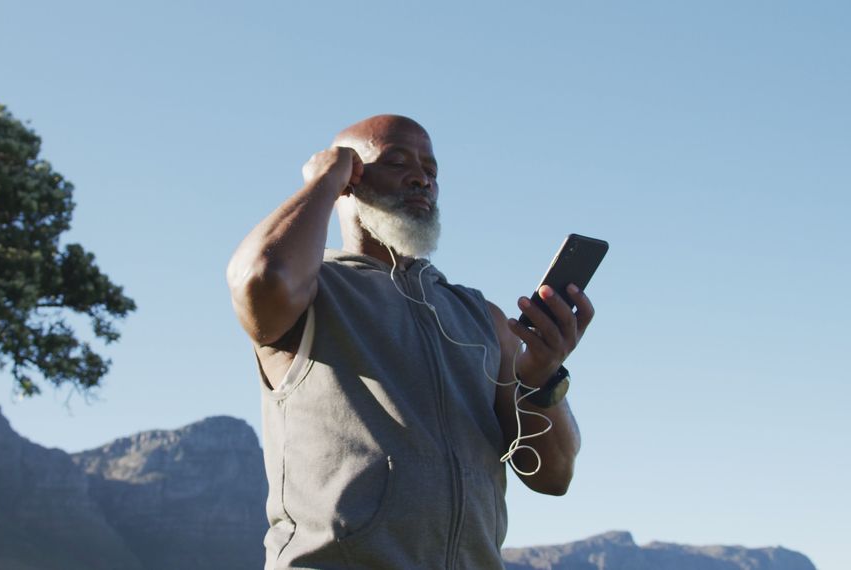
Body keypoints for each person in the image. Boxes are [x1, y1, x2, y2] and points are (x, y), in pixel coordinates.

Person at [227, 115, 595, 569]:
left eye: (432, 171)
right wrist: (324, 179)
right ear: (349, 179)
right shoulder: (312, 291)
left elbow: (555, 477)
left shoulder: (483, 318)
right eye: (396, 161)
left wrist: (542, 378)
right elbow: (262, 276)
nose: (422, 178)